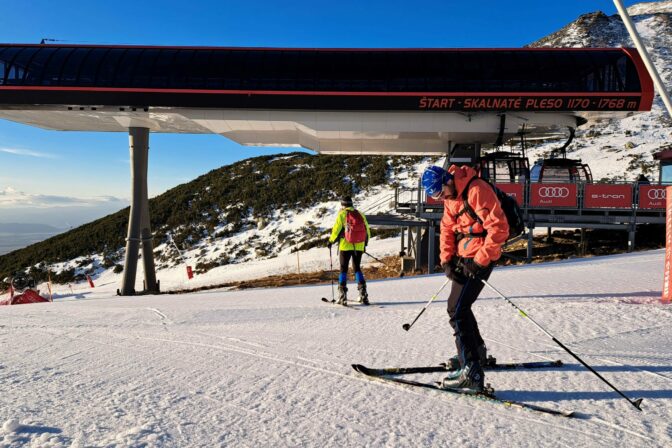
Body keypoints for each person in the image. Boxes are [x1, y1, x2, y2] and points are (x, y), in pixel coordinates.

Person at [421, 165, 509, 392]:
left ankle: (471, 371)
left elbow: (499, 228)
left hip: (482, 257)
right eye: (436, 196)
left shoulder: (477, 190)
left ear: (448, 180)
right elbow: (447, 229)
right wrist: (447, 261)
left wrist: (479, 261)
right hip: (465, 256)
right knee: (458, 306)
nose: (442, 198)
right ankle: (475, 352)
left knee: (457, 309)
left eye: (441, 192)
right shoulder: (451, 198)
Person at [327, 196, 372, 305]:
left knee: (343, 269)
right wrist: (365, 243)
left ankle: (342, 296)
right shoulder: (360, 214)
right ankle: (363, 294)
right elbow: (367, 230)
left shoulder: (342, 214)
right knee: (357, 268)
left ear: (342, 205)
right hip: (359, 246)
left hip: (345, 245)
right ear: (351, 204)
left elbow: (336, 230)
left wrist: (330, 241)